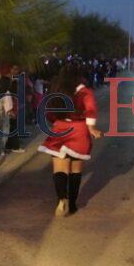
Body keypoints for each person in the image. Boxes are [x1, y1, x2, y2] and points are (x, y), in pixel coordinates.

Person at [38, 64, 102, 216]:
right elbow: (91, 110)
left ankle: (62, 199)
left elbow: (48, 111)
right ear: (79, 76)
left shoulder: (56, 90)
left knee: (60, 169)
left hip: (59, 128)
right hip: (79, 131)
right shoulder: (85, 92)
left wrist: (55, 121)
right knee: (75, 170)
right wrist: (92, 128)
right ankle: (72, 205)